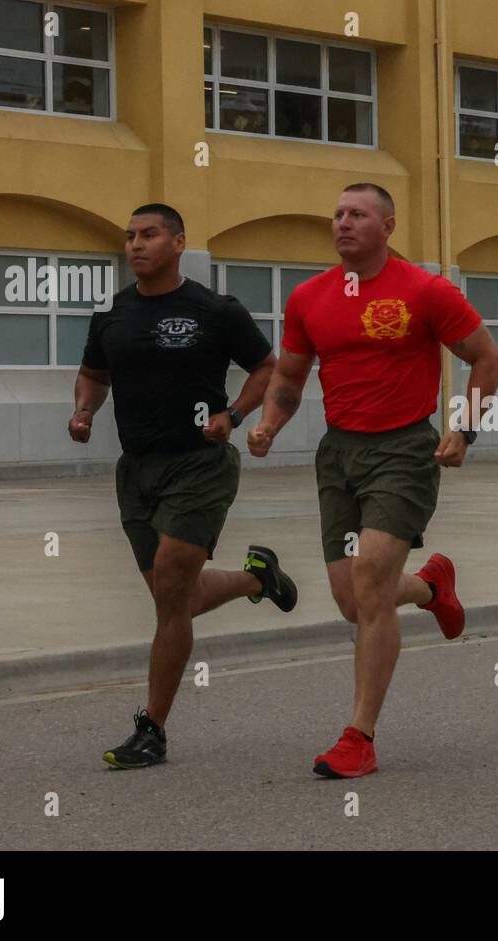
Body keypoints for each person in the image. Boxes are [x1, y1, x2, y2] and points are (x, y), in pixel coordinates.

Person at [247, 183, 498, 778]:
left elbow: (487, 360)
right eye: (336, 214)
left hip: (404, 451)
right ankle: (432, 587)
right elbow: (289, 374)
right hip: (339, 455)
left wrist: (463, 429)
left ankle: (358, 736)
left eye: (357, 214)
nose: (342, 223)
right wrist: (268, 425)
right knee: (351, 601)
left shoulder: (425, 290)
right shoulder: (310, 297)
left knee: (368, 580)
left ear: (387, 225)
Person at [71, 203, 298, 769]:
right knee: (177, 599)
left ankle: (152, 729)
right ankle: (255, 578)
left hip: (199, 463)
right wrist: (84, 411)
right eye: (129, 236)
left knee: (173, 585)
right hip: (137, 469)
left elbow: (267, 367)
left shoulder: (213, 309)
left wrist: (235, 416)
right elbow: (94, 375)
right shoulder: (112, 314)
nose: (135, 245)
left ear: (178, 243)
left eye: (148, 235)